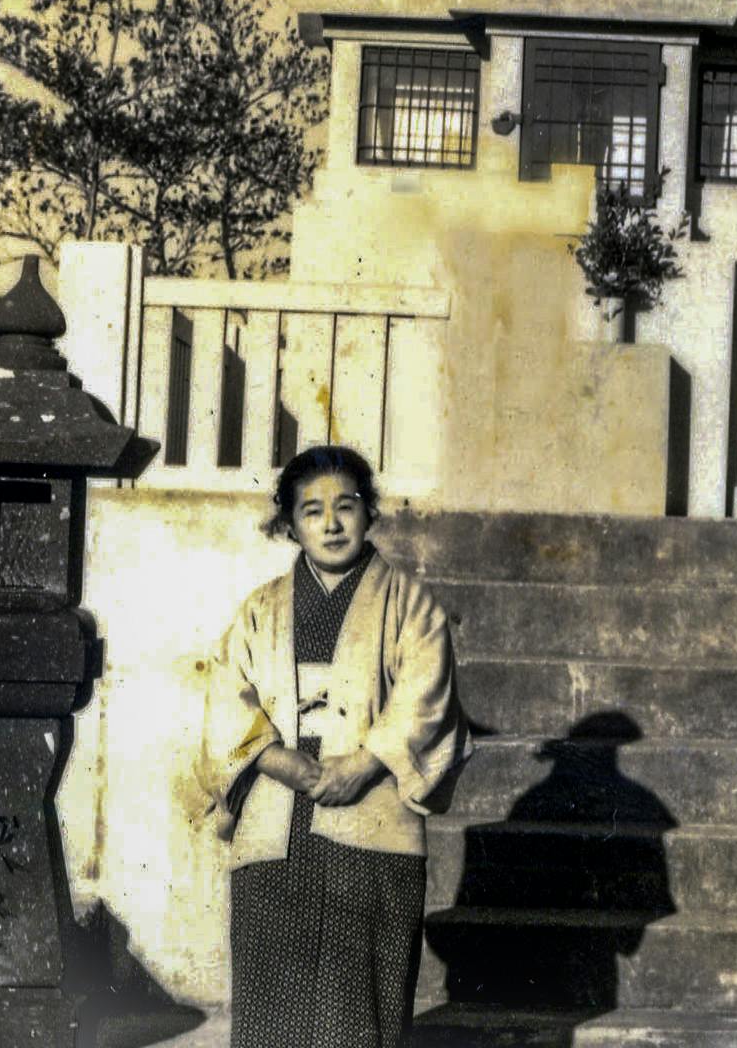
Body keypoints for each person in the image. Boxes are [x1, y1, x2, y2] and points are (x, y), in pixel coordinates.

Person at [195, 445, 472, 1048]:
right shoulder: (261, 609)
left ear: (369, 513)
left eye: (345, 506)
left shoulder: (411, 605)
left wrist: (365, 763)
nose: (331, 524)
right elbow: (225, 696)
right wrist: (278, 760)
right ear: (290, 524)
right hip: (275, 821)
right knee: (273, 1008)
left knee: (360, 1008)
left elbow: (426, 697)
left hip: (372, 815)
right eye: (312, 510)